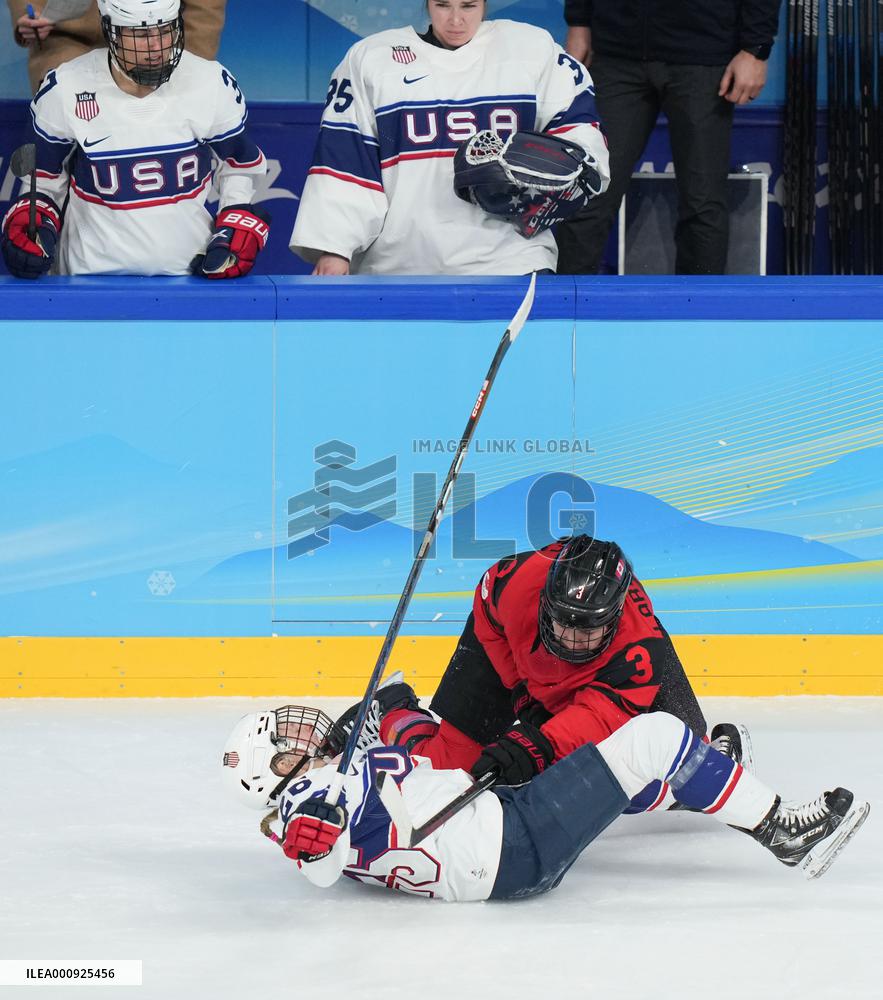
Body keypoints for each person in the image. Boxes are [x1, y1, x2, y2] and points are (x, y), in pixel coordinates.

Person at [221, 702, 869, 900]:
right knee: (651, 739)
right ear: (270, 773)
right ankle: (783, 830)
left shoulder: (330, 780)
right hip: (511, 840)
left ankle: (710, 780)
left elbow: (403, 754)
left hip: (489, 831)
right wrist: (310, 831)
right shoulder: (308, 794)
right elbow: (316, 853)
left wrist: (392, 714)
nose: (306, 735)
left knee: (605, 773)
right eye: (287, 742)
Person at [376, 535, 742, 812]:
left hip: (603, 683)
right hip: (512, 653)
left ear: (612, 621)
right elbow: (487, 616)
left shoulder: (640, 647)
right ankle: (391, 705)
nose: (568, 638)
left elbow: (599, 715)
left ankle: (715, 751)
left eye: (585, 630)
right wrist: (519, 687)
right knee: (446, 765)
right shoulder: (514, 582)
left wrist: (541, 745)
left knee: (652, 775)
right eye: (561, 620)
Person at [289, 0, 610, 276]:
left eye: (468, 5)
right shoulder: (371, 59)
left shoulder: (531, 49)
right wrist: (334, 248)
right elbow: (346, 159)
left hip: (511, 262)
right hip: (398, 267)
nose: (456, 19)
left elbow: (582, 136)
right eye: (443, 4)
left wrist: (570, 168)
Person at [1, 0, 268, 278]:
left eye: (164, 29)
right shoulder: (65, 87)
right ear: (111, 31)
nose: (156, 46)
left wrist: (236, 214)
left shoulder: (210, 82)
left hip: (186, 275)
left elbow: (240, 163)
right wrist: (35, 215)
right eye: (140, 34)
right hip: (88, 276)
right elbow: (43, 178)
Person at [554, 0, 782, 275]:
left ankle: (696, 313)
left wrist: (755, 48)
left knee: (703, 202)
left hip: (704, 53)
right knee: (589, 193)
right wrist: (579, 22)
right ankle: (566, 310)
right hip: (616, 50)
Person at [8, 0, 226, 93]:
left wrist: (190, 63)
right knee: (65, 98)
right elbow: (28, 7)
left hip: (155, 37)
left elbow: (204, 11)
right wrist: (30, 17)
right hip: (69, 37)